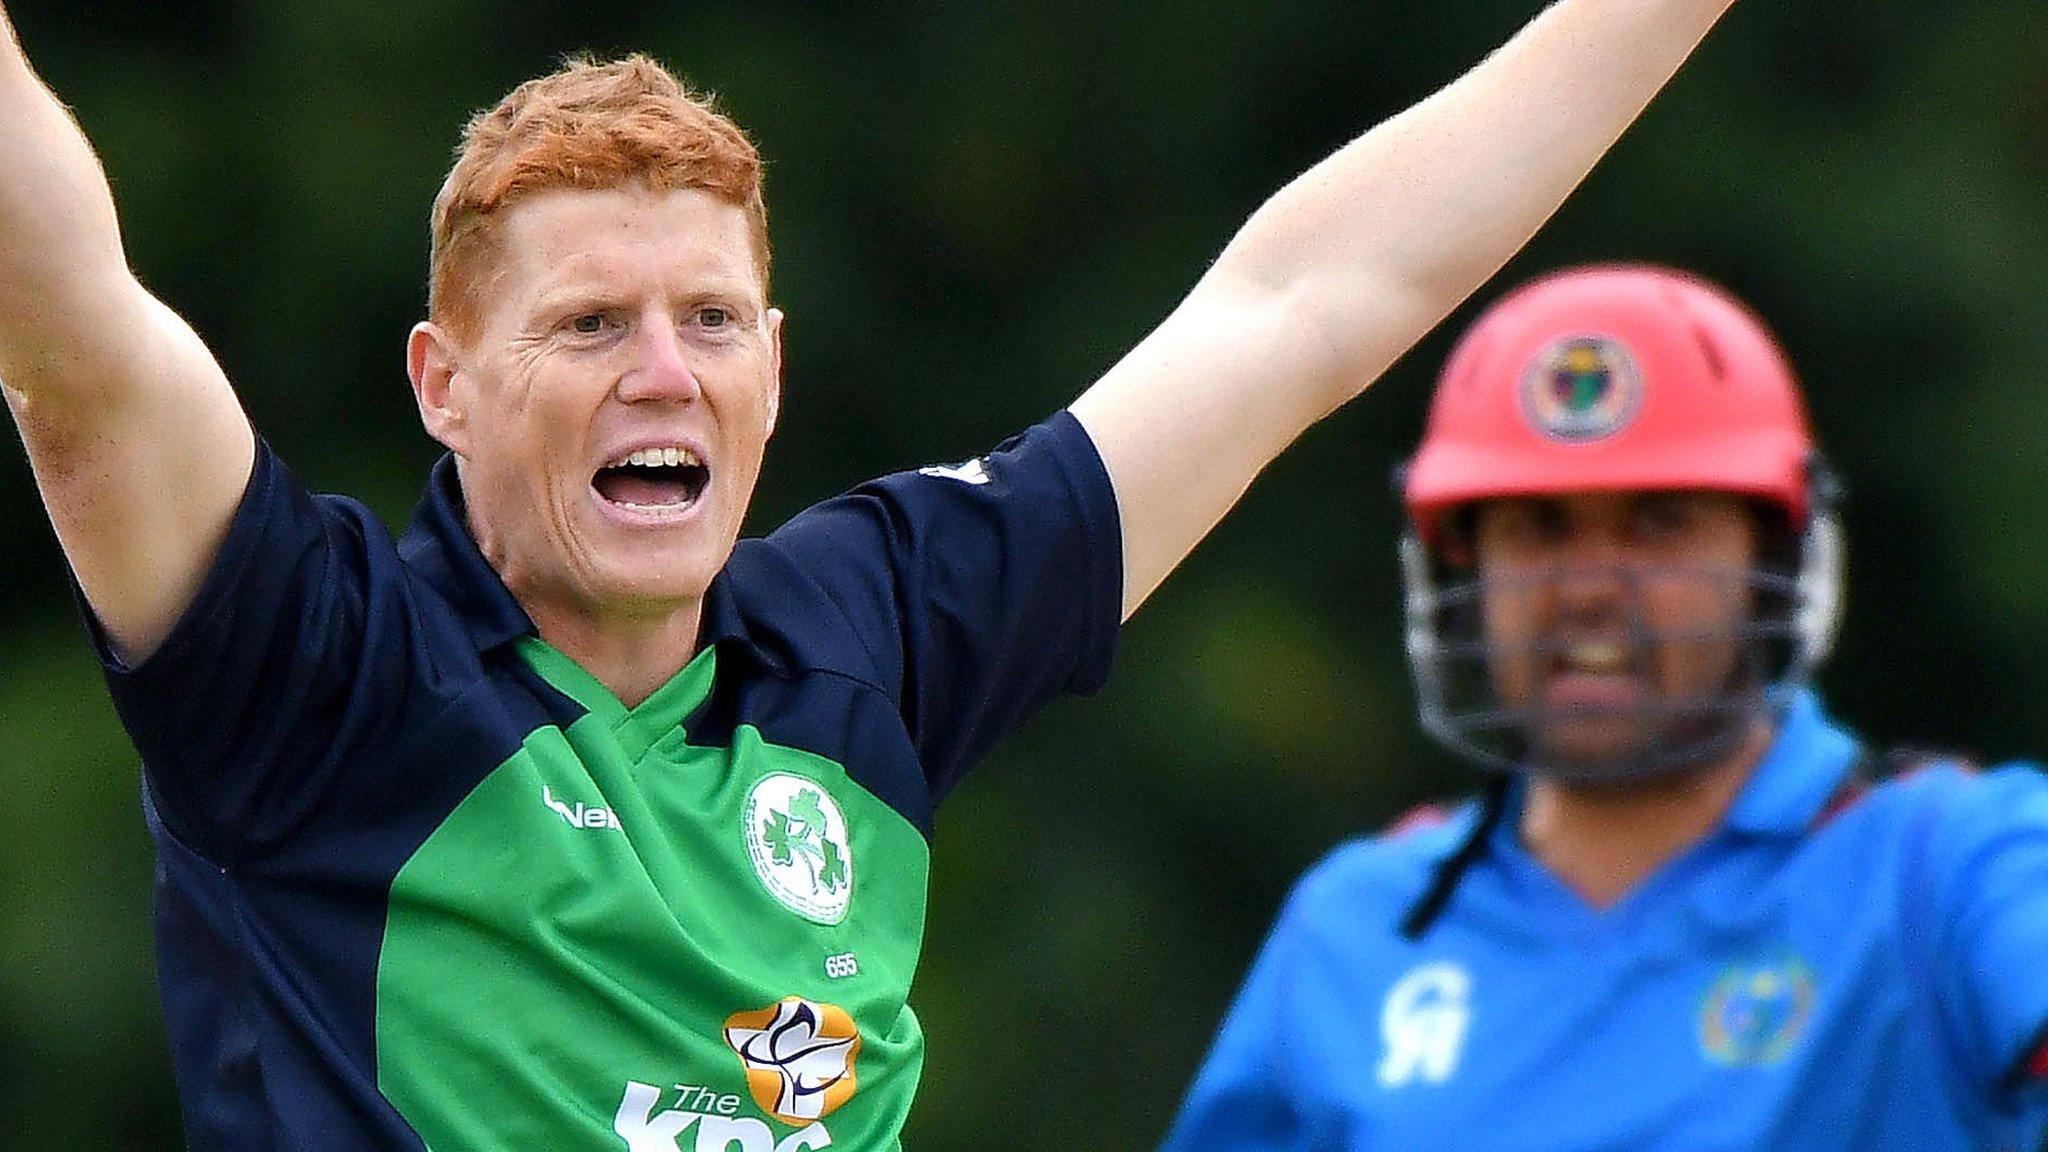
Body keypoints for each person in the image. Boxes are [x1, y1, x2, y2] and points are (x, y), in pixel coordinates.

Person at [0, 2, 1740, 1147]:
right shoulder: (315, 676)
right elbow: (69, 331)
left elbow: (1301, 310)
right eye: (589, 324)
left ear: (772, 365)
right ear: (444, 387)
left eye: (707, 322)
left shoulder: (867, 631)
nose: (661, 372)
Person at [1163, 263, 2048, 1151]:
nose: (1587, 587)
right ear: (1464, 567)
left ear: (1770, 560)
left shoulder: (1951, 867)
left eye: (1660, 522)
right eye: (1537, 525)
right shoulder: (1356, 925)